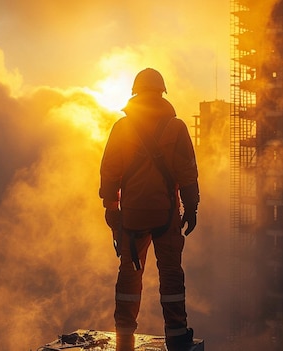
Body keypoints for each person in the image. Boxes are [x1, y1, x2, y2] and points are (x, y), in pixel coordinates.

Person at [99, 68, 199, 351]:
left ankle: (124, 336)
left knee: (129, 275)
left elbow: (109, 171)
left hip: (132, 217)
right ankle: (177, 334)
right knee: (171, 274)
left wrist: (111, 206)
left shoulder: (122, 128)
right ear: (162, 92)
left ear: (135, 92)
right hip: (165, 215)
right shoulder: (176, 128)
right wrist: (191, 207)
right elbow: (188, 172)